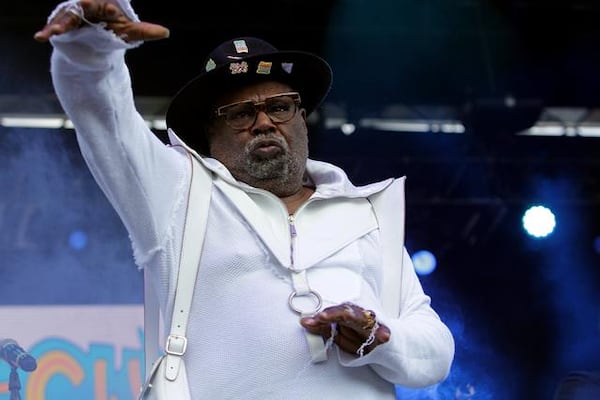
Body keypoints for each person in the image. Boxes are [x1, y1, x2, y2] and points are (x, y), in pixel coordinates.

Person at [34, 0, 455, 398]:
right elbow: (104, 117)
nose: (264, 123)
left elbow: (434, 350)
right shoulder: (179, 194)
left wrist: (381, 337)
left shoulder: (368, 215)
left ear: (302, 120)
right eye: (239, 114)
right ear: (209, 138)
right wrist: (89, 45)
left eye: (279, 107)